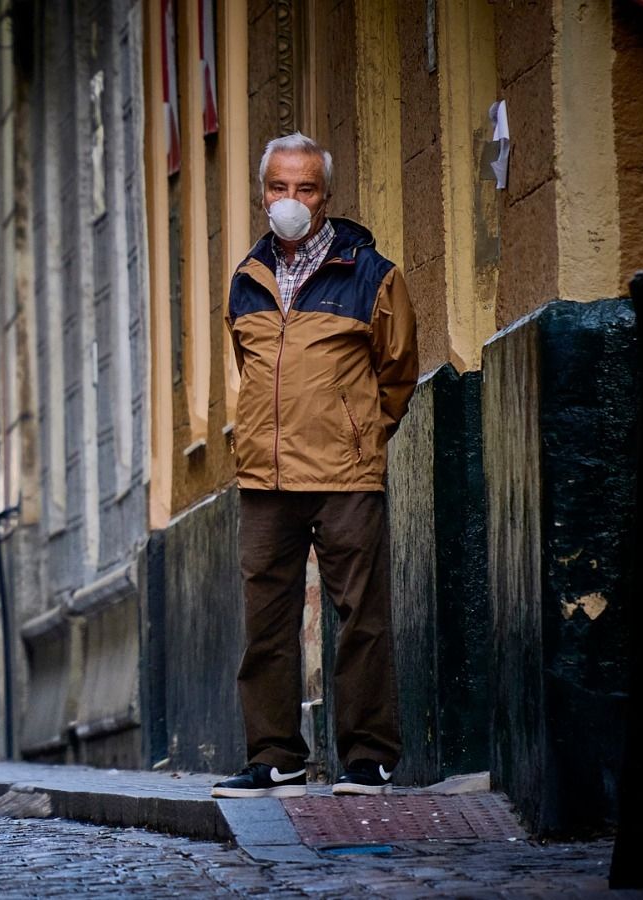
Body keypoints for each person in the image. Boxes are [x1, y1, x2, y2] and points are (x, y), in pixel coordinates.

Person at [211, 133, 418, 800]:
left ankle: (369, 758)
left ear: (325, 197)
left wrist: (361, 435)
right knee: (265, 622)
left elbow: (397, 371)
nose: (290, 200)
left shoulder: (373, 274)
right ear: (262, 193)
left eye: (304, 188)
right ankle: (275, 756)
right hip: (265, 480)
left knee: (361, 617)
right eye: (279, 187)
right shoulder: (247, 278)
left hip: (345, 476)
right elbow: (248, 371)